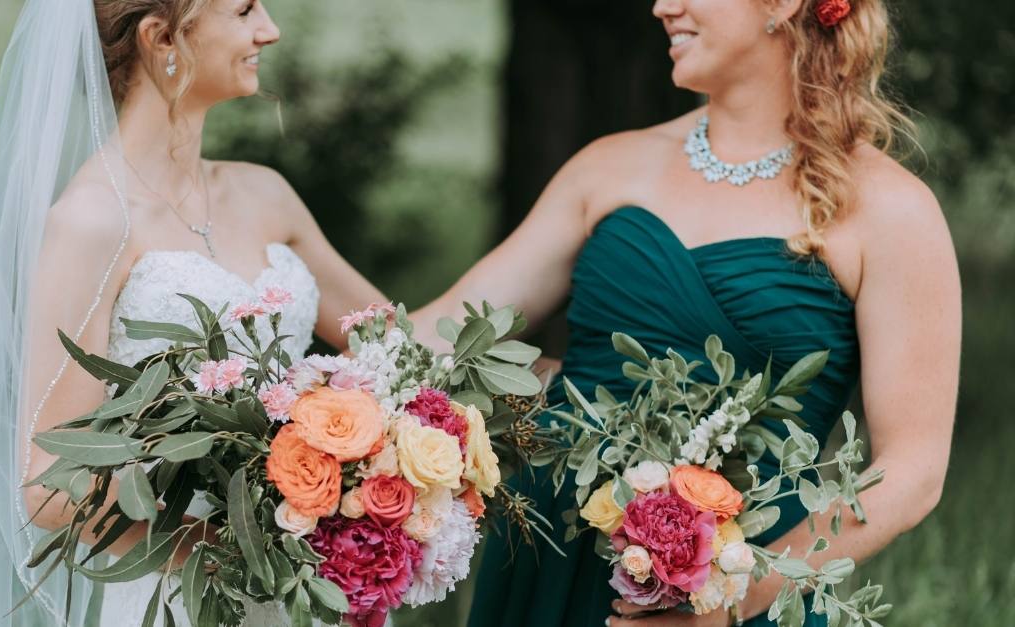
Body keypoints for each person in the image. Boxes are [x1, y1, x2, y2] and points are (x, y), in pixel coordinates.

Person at [409, 0, 960, 625]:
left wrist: (733, 598)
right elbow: (445, 334)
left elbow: (912, 471)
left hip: (737, 583)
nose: (661, 6)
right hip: (551, 564)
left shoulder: (890, 210)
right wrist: (306, 354)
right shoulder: (608, 166)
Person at [0, 1, 383, 625]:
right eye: (243, 9)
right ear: (162, 37)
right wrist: (237, 546)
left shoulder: (264, 192)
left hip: (316, 591)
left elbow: (397, 347)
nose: (269, 29)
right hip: (185, 597)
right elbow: (51, 483)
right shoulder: (92, 221)